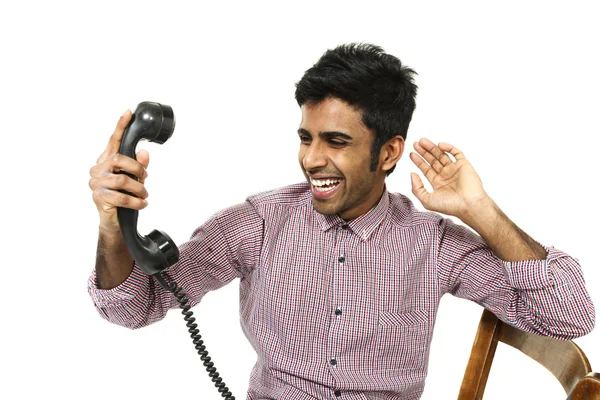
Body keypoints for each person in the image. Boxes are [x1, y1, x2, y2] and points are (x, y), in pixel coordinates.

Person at [87, 43, 595, 400]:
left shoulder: (432, 244)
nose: (311, 159)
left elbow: (570, 315)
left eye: (337, 142)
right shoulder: (258, 223)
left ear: (388, 152)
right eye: (306, 138)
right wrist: (114, 224)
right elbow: (133, 308)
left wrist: (481, 211)